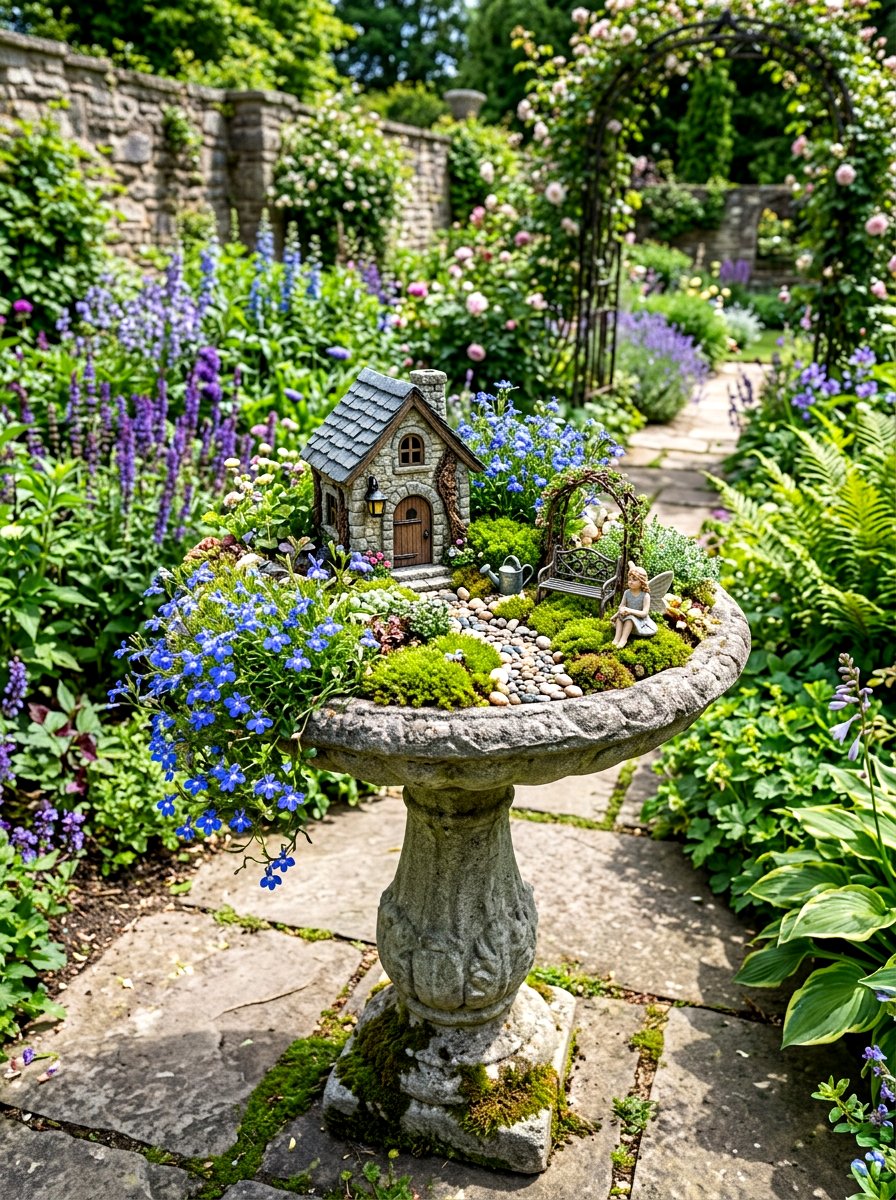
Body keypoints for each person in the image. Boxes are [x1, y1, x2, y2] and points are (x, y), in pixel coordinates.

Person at [612, 563, 657, 648]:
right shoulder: (627, 593)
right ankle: (617, 638)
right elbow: (621, 605)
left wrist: (630, 611)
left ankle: (623, 639)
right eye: (629, 579)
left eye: (634, 579)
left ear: (642, 581)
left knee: (630, 619)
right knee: (619, 618)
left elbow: (644, 613)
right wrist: (621, 610)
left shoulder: (645, 595)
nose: (630, 582)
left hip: (640, 620)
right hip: (626, 614)